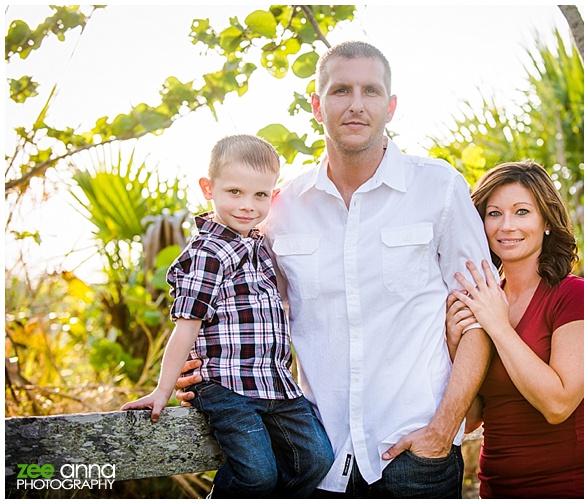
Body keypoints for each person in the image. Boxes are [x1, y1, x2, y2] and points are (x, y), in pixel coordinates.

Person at [176, 41, 496, 498]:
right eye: (341, 90)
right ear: (317, 105)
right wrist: (201, 371)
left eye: (371, 90)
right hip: (320, 457)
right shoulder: (283, 207)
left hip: (414, 453)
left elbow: (481, 319)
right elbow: (247, 312)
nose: (356, 105)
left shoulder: (440, 188)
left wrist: (442, 430)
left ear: (391, 106)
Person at [121, 135, 334, 498]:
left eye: (260, 195)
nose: (248, 206)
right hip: (226, 385)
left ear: (273, 195)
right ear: (209, 188)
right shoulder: (207, 253)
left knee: (316, 459)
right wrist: (162, 389)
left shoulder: (259, 246)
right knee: (256, 475)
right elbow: (185, 329)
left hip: (274, 383)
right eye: (234, 192)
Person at [446, 160, 584, 498]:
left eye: (522, 212)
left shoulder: (574, 295)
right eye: (494, 214)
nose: (506, 226)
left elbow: (558, 404)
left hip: (567, 488)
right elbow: (473, 417)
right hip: (495, 488)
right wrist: (453, 343)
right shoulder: (485, 299)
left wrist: (498, 326)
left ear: (547, 221)